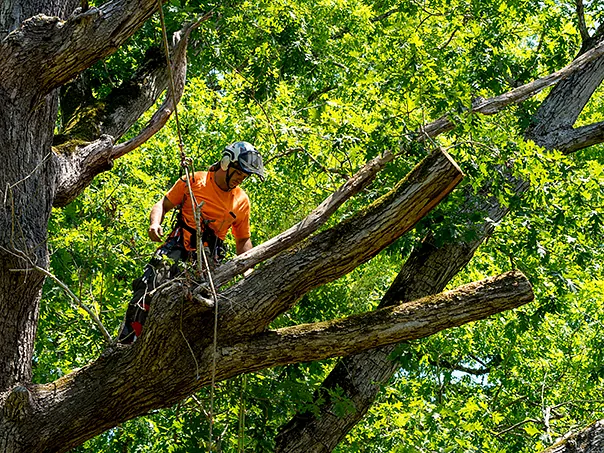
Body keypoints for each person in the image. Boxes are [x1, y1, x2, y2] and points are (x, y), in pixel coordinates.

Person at [118, 141, 265, 344]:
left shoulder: (241, 201)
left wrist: (248, 269)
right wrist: (154, 224)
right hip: (178, 247)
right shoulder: (195, 180)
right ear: (225, 163)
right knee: (148, 287)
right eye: (239, 172)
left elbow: (242, 240)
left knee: (200, 308)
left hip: (208, 259)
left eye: (245, 176)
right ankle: (128, 340)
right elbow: (163, 203)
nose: (240, 179)